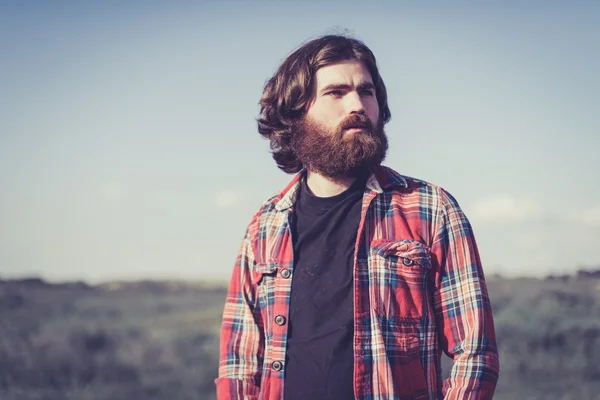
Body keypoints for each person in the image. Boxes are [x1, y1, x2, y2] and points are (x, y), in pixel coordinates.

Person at [215, 34, 499, 400]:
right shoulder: (265, 226)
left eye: (366, 92)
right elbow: (239, 364)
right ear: (297, 112)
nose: (358, 105)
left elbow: (474, 355)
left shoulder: (431, 209)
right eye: (336, 93)